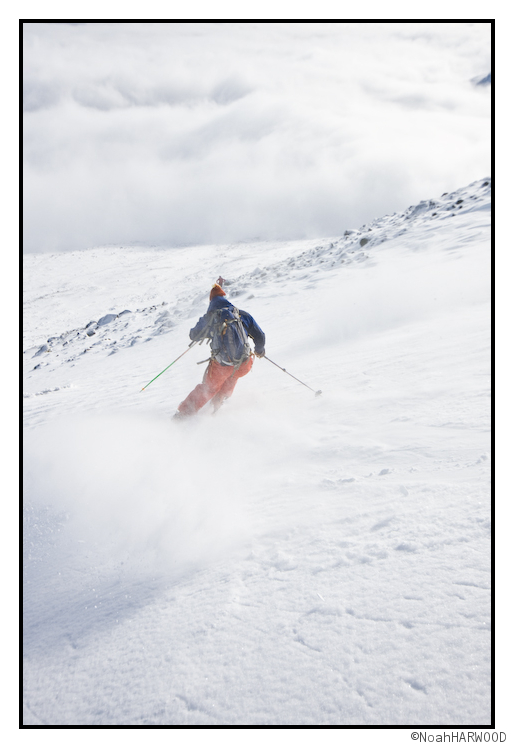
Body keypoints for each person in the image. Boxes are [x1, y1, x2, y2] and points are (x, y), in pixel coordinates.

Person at [174, 281, 265, 418]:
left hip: (222, 365)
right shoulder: (241, 314)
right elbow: (260, 335)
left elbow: (193, 335)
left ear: (211, 302)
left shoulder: (210, 318)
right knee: (232, 376)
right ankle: (217, 405)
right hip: (245, 363)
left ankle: (184, 414)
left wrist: (207, 330)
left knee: (209, 387)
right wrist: (259, 349)